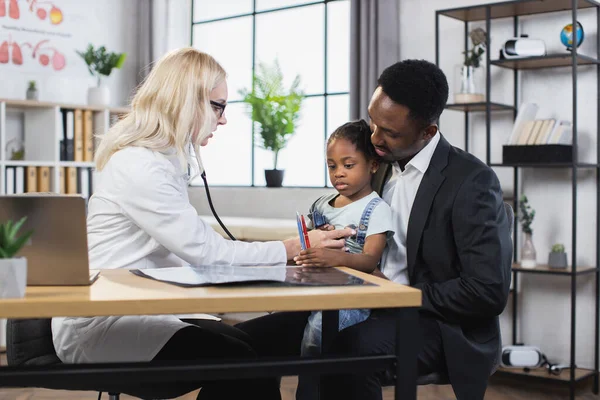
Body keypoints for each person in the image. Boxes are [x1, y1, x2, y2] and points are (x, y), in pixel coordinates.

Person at [50, 48, 354, 400]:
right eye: (217, 105)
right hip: (101, 324)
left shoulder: (163, 162)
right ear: (185, 101)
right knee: (240, 360)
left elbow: (193, 252)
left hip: (139, 310)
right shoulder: (140, 166)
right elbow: (203, 251)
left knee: (258, 346)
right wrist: (292, 247)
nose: (223, 119)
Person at [238, 59, 512, 400]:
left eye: (390, 132)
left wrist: (397, 294)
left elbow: (487, 291)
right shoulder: (374, 162)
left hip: (433, 322)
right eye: (373, 122)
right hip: (356, 303)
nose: (374, 137)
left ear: (428, 131)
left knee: (344, 350)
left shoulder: (472, 181)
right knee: (244, 343)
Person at [295, 119, 394, 399]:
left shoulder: (376, 209)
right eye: (332, 166)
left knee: (316, 335)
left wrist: (331, 258)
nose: (339, 173)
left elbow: (369, 261)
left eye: (348, 165)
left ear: (372, 165)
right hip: (318, 290)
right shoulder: (321, 205)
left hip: (353, 298)